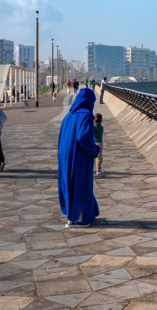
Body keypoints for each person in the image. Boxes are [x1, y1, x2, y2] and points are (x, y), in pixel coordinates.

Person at [57, 88, 101, 228]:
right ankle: (79, 219)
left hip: (64, 154)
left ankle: (83, 214)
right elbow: (82, 137)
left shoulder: (68, 116)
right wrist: (95, 150)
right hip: (78, 155)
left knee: (70, 183)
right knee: (81, 184)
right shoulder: (86, 115)